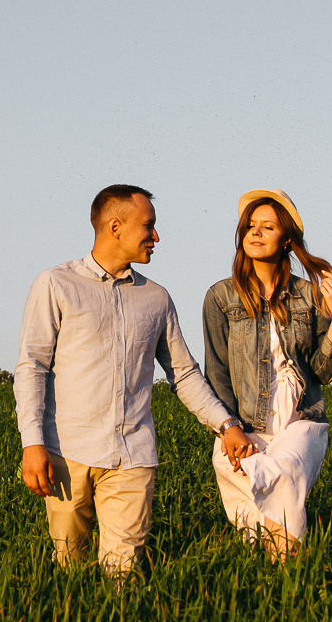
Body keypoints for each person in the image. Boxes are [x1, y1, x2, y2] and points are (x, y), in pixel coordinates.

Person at [15, 184, 256, 575]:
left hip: (133, 456)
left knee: (123, 574)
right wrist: (33, 444)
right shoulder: (56, 284)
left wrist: (225, 424)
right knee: (68, 568)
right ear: (115, 227)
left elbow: (184, 373)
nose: (156, 237)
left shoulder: (157, 298)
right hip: (65, 452)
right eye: (149, 226)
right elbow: (32, 367)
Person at [202, 190, 332, 560]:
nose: (255, 233)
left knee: (283, 477)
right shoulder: (221, 297)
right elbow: (216, 373)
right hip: (244, 424)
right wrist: (228, 429)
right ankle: (270, 566)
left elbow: (321, 371)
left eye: (267, 227)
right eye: (250, 226)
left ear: (286, 239)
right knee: (240, 487)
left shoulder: (308, 295)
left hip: (301, 421)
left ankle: (284, 568)